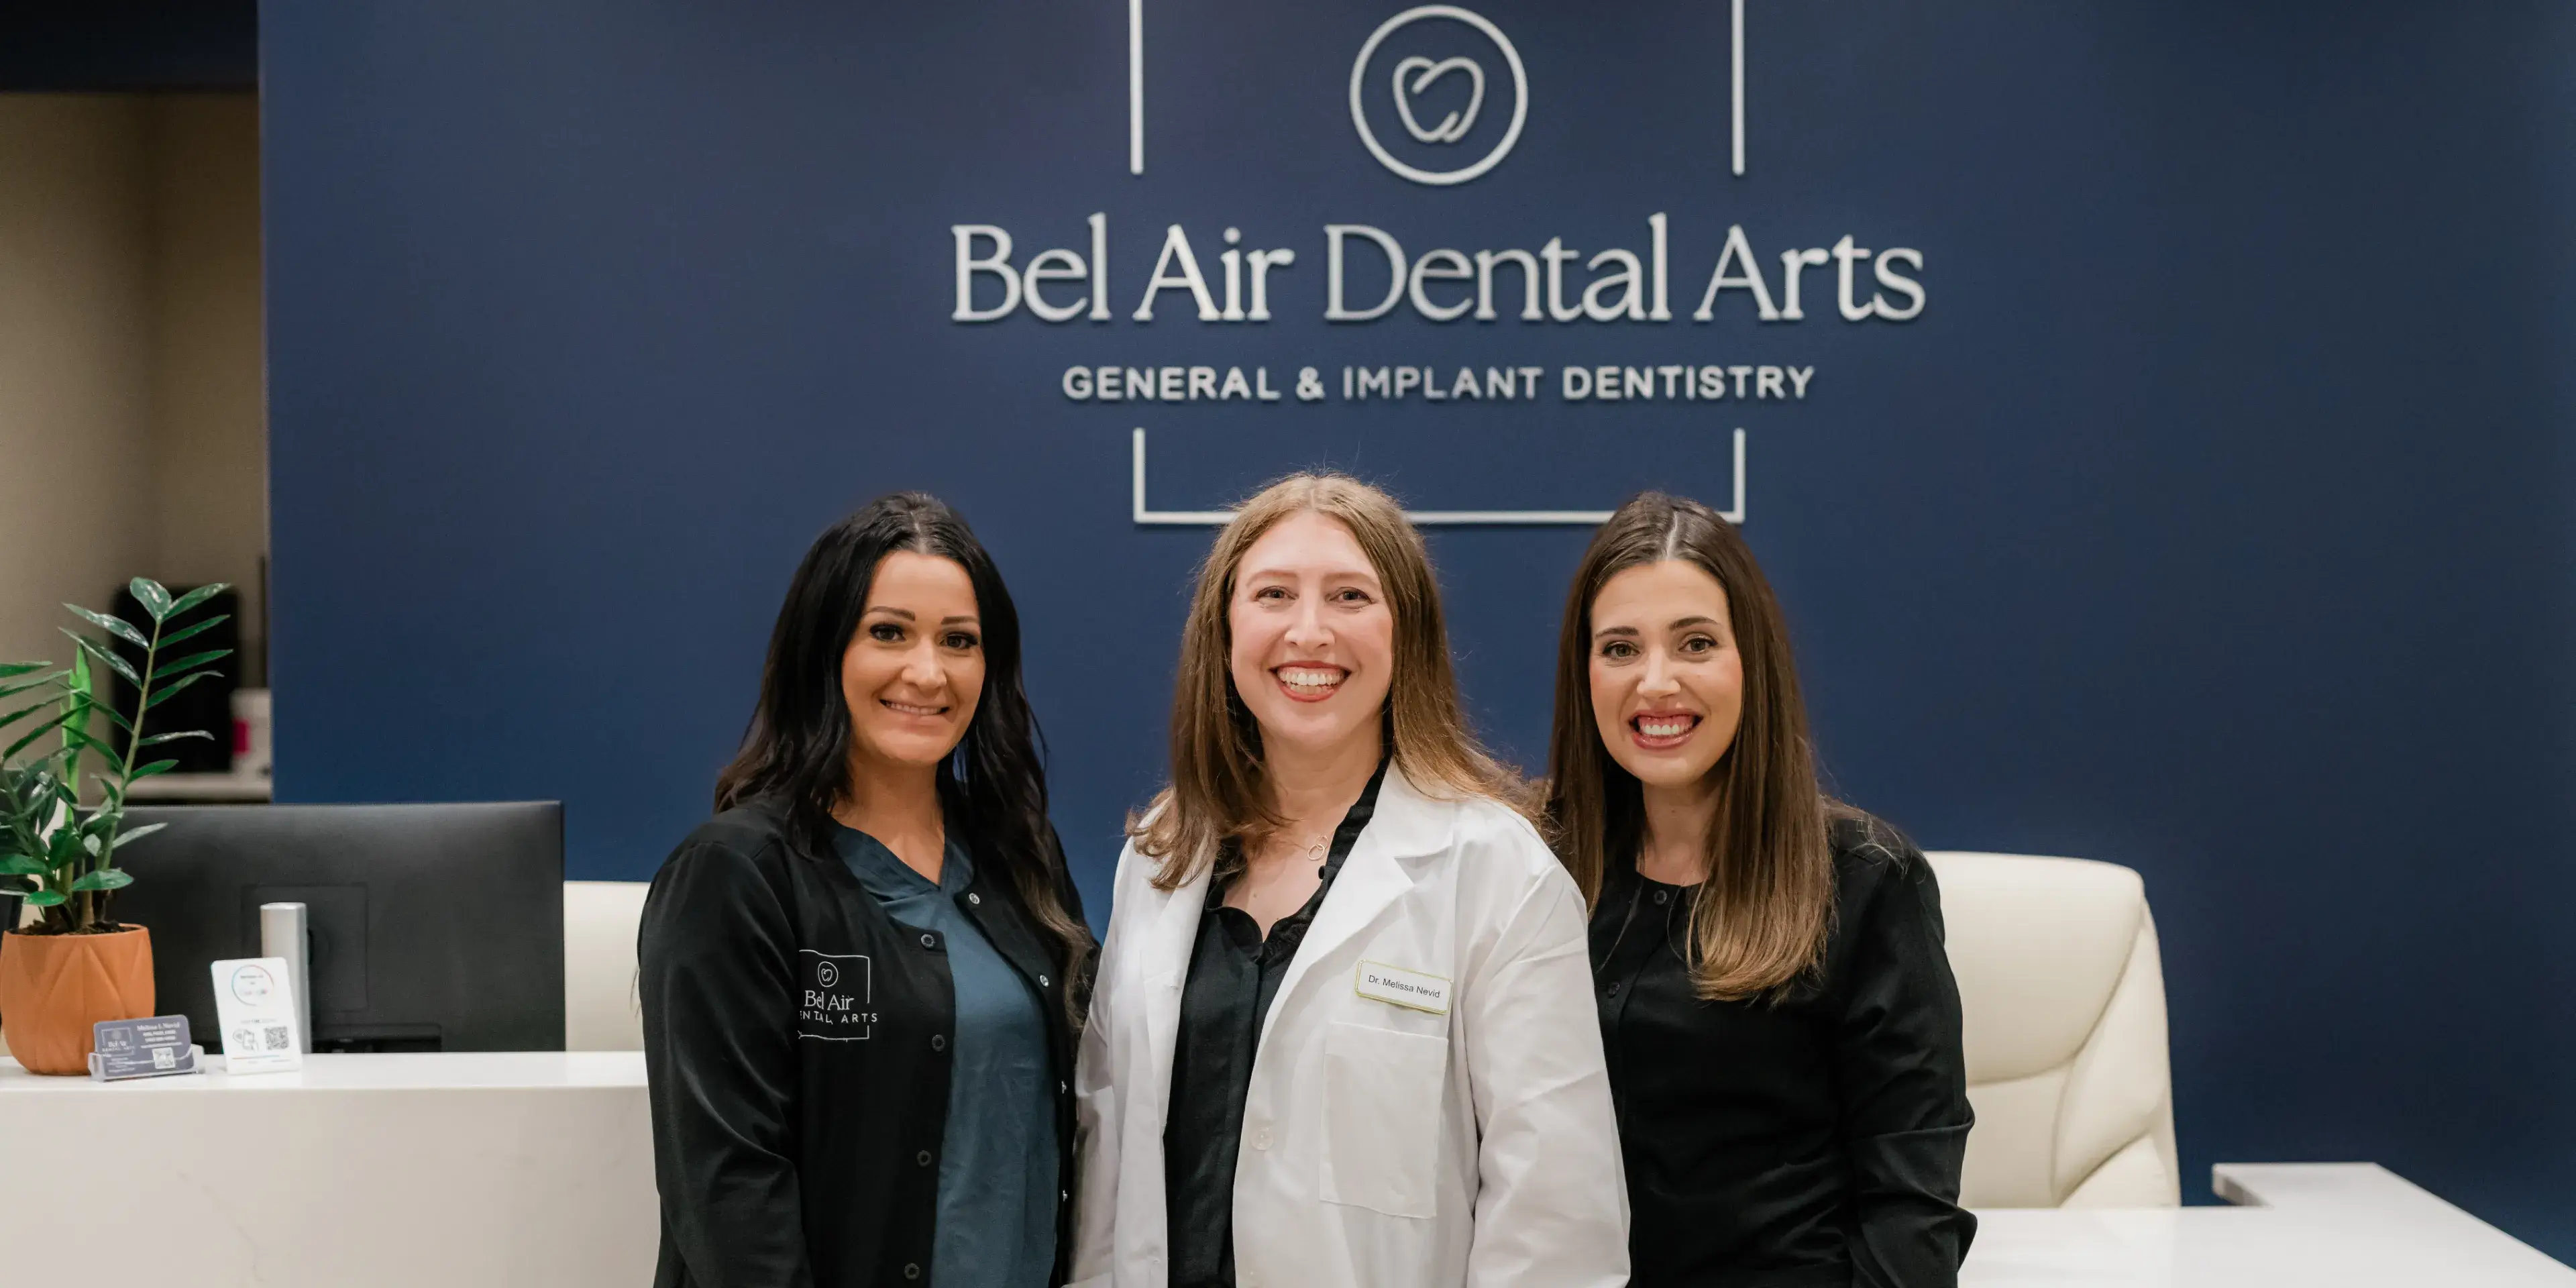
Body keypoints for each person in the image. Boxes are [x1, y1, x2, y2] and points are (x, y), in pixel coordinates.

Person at [1070, 474, 1628, 1288]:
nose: (1310, 631)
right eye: (1273, 594)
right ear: (1224, 631)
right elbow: (1107, 1172)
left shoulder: (1499, 874)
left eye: (1349, 597)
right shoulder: (1159, 860)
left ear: (1407, 635)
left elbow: (1556, 1226)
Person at [639, 492, 1093, 1288]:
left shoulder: (1020, 854)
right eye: (888, 633)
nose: (927, 671)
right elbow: (728, 1189)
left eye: (959, 641)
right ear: (826, 651)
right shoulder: (736, 875)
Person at [1542, 491, 1976, 1288]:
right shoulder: (1529, 864)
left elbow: (1909, 1217)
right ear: (1585, 674)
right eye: (1620, 649)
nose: (1656, 682)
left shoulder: (1867, 881)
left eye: (1697, 643)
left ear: (1754, 663)